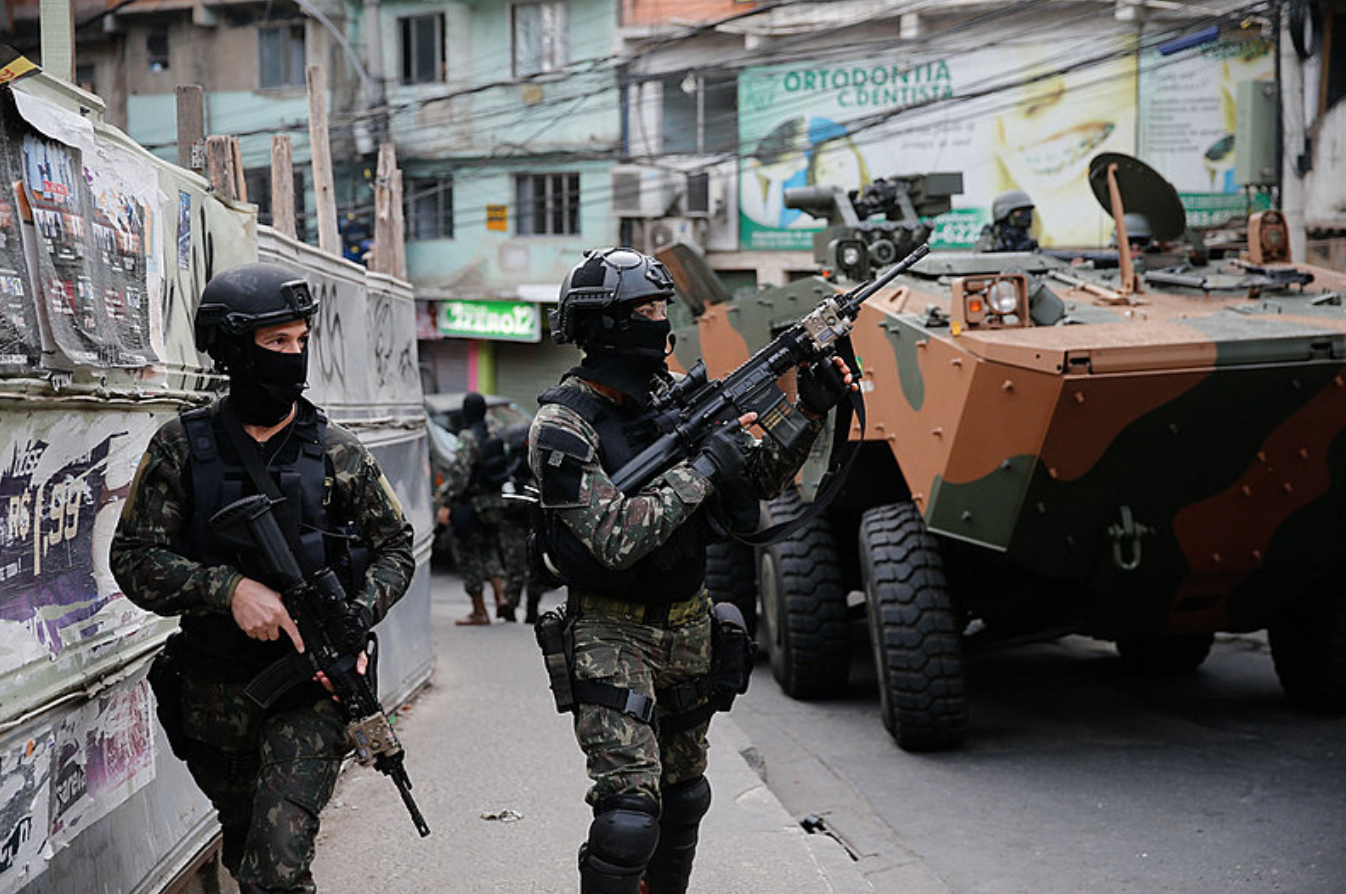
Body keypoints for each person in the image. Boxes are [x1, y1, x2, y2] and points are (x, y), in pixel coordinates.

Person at [529, 247, 854, 894]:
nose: (661, 323)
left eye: (660, 307)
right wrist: (702, 468)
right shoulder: (562, 425)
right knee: (628, 816)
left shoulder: (671, 399)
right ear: (606, 326)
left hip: (689, 624)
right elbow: (610, 538)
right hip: (608, 634)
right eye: (645, 310)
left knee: (683, 799)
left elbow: (759, 480)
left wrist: (808, 414)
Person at [110, 263, 415, 894]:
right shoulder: (180, 448)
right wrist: (228, 590)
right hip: (214, 693)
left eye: (302, 341)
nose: (294, 357)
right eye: (278, 343)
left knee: (276, 865)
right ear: (232, 348)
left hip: (311, 693)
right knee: (250, 848)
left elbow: (396, 549)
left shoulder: (336, 450)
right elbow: (134, 556)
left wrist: (355, 615)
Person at [435, 391, 510, 624]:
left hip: (472, 506)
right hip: (494, 504)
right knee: (489, 550)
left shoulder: (467, 437)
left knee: (468, 556)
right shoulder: (493, 431)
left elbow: (460, 475)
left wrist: (444, 498)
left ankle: (479, 611)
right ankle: (501, 598)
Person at [499, 421, 550, 623]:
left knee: (527, 567)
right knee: (519, 568)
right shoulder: (509, 464)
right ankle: (516, 608)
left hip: (529, 522)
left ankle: (525, 609)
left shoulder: (536, 463)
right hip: (519, 521)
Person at [974, 189, 1039, 252]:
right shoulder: (991, 234)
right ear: (1003, 212)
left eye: (1027, 211)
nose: (1026, 216)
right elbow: (984, 259)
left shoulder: (1024, 235)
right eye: (1019, 212)